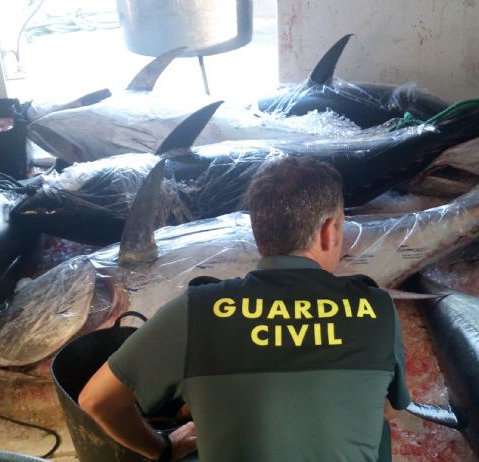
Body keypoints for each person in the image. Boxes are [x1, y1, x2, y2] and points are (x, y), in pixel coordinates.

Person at [79, 156, 410, 462]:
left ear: (256, 230)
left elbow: (96, 401)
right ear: (329, 231)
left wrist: (162, 448)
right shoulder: (376, 307)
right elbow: (391, 408)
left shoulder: (196, 311)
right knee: (375, 423)